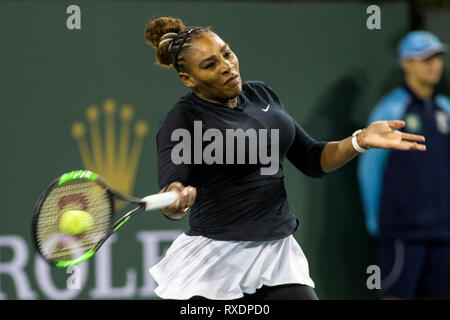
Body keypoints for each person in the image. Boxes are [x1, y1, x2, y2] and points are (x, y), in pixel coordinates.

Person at [145, 17, 426, 300]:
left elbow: (314, 160)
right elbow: (172, 192)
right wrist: (177, 199)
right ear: (188, 79)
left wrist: (359, 141)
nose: (227, 67)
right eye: (210, 65)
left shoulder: (261, 94)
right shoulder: (182, 119)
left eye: (227, 53)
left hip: (277, 256)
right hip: (217, 263)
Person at [358, 31, 450, 299]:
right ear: (406, 62)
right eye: (425, 59)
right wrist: (377, 220)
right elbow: (370, 170)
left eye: (437, 58)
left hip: (442, 230)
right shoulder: (390, 111)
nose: (434, 65)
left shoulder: (445, 108)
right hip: (402, 232)